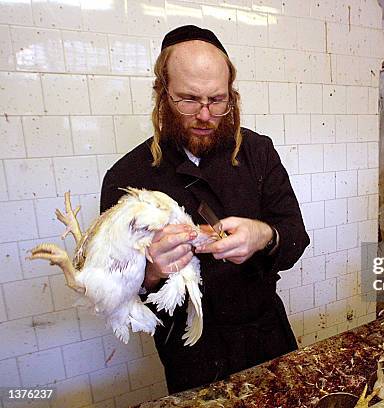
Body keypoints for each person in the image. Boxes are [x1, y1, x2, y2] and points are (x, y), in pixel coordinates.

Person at [100, 25, 310, 393]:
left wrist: (265, 235)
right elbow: (111, 289)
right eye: (188, 100)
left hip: (266, 333)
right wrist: (149, 272)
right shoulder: (126, 175)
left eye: (217, 99)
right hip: (190, 349)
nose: (205, 114)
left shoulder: (258, 153)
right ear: (162, 94)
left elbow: (296, 237)